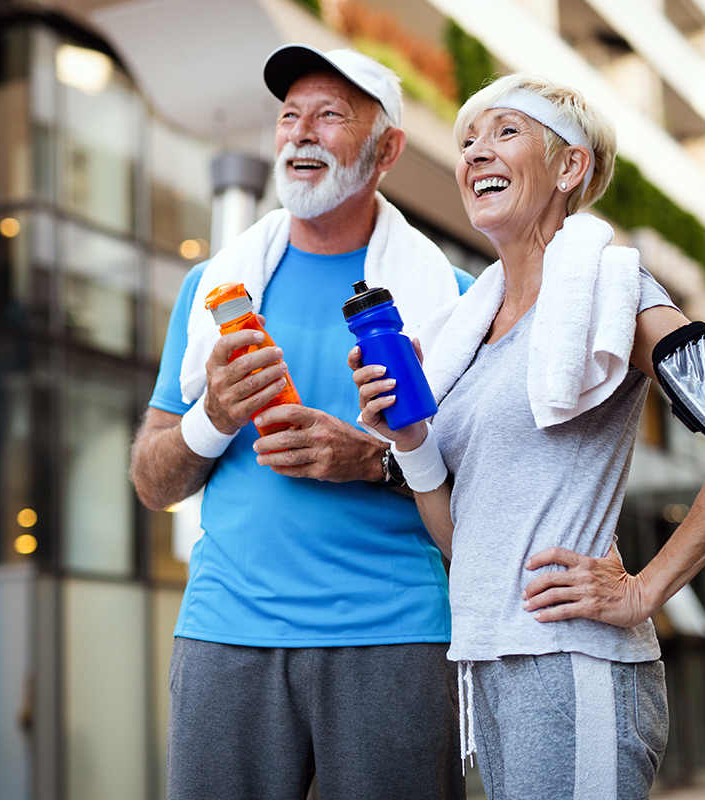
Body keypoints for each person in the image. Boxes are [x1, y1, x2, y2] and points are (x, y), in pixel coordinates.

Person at [351, 74, 705, 799]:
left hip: (572, 665)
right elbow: (462, 544)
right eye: (468, 140)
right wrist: (408, 437)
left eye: (505, 132)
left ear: (570, 167)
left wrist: (645, 589)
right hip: (490, 663)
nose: (475, 153)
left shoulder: (616, 291)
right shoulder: (467, 338)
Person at [130, 44, 473, 800]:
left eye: (330, 116)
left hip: (395, 635)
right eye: (289, 116)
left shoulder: (454, 300)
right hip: (225, 634)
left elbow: (487, 498)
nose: (300, 133)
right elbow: (152, 481)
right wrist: (212, 417)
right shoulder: (212, 288)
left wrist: (374, 460)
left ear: (387, 149)